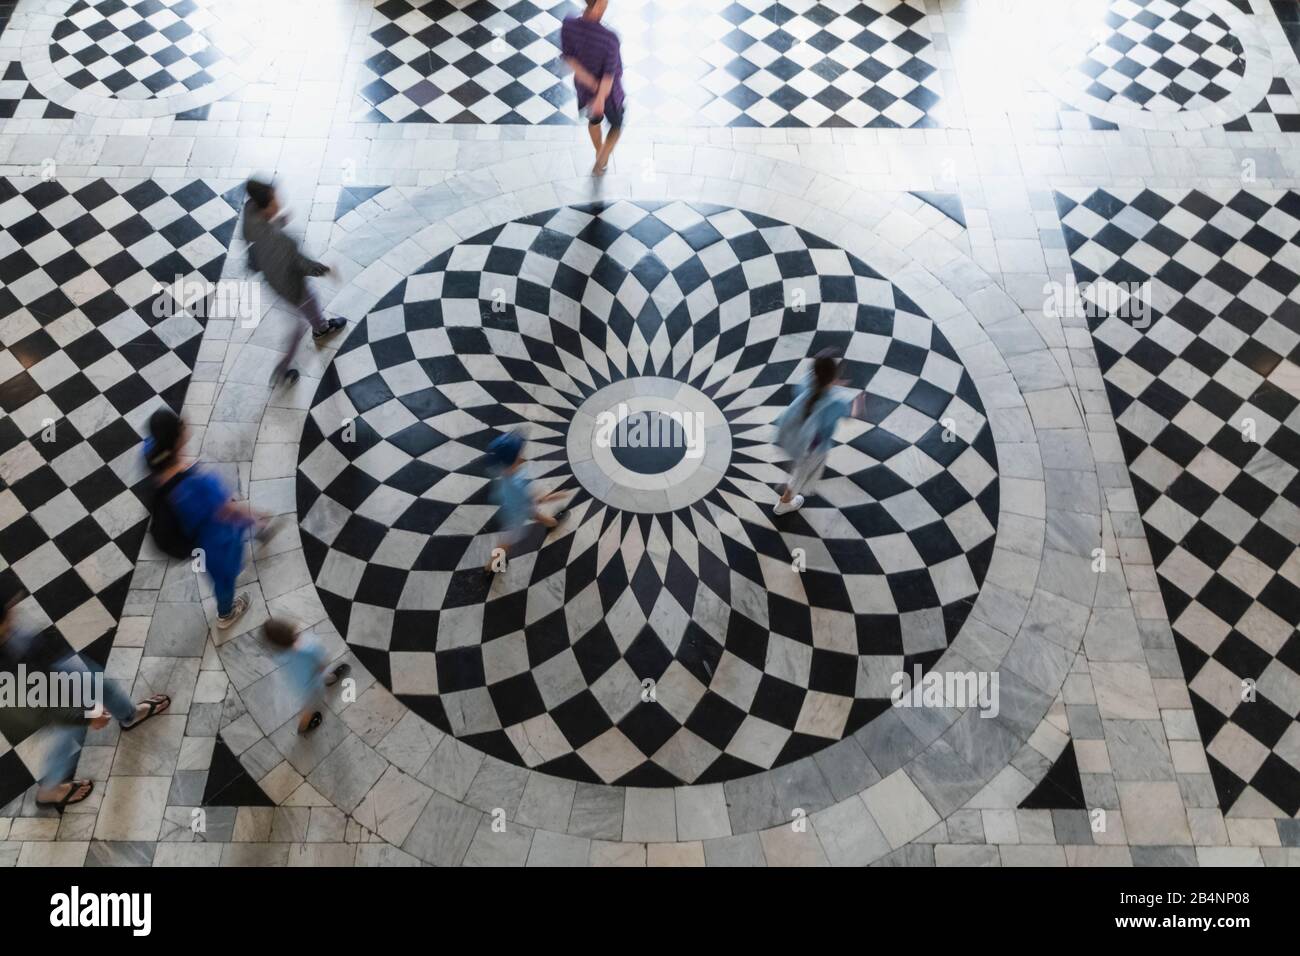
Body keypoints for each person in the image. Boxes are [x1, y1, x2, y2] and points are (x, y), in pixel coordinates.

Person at [0, 588, 171, 810]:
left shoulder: (9, 634)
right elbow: (43, 708)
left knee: (99, 683)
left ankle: (129, 715)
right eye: (7, 613)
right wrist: (87, 716)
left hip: (46, 668)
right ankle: (49, 790)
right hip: (36, 698)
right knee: (69, 733)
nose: (14, 610)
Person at [144, 408, 268, 630]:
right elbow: (228, 511)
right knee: (224, 578)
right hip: (214, 540)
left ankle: (257, 530)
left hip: (196, 537)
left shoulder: (151, 453)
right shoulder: (198, 484)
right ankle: (226, 613)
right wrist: (254, 514)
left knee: (221, 563)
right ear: (177, 439)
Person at [242, 178, 346, 387]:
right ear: (266, 207)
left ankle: (321, 327)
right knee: (298, 325)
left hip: (272, 279)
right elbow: (301, 264)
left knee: (311, 305)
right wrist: (326, 270)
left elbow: (258, 236)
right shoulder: (280, 242)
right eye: (274, 200)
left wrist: (278, 223)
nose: (278, 202)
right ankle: (282, 371)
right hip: (290, 285)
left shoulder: (249, 212)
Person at [773, 351, 866, 515]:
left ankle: (789, 481)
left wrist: (832, 384)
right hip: (812, 447)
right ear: (834, 377)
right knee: (801, 475)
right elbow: (849, 415)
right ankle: (785, 502)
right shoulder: (837, 402)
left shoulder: (807, 382)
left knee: (798, 464)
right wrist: (858, 404)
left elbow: (812, 391)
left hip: (795, 435)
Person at [483, 431, 570, 573]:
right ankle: (492, 566)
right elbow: (537, 499)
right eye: (518, 454)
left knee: (533, 513)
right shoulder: (516, 485)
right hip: (515, 517)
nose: (522, 456)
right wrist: (555, 496)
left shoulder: (505, 471)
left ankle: (552, 523)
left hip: (517, 506)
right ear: (511, 462)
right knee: (505, 542)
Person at [561, 0, 625, 176]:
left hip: (584, 88)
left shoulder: (569, 25)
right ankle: (601, 159)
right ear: (597, 6)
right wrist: (600, 97)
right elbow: (609, 75)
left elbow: (569, 58)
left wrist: (590, 83)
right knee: (617, 125)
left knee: (594, 121)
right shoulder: (609, 39)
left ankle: (599, 152)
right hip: (610, 94)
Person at [262, 619, 350, 734]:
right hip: (312, 686)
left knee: (316, 686)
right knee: (308, 708)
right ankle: (303, 727)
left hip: (299, 685)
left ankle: (330, 679)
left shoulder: (279, 655)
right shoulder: (309, 648)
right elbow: (322, 664)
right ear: (291, 630)